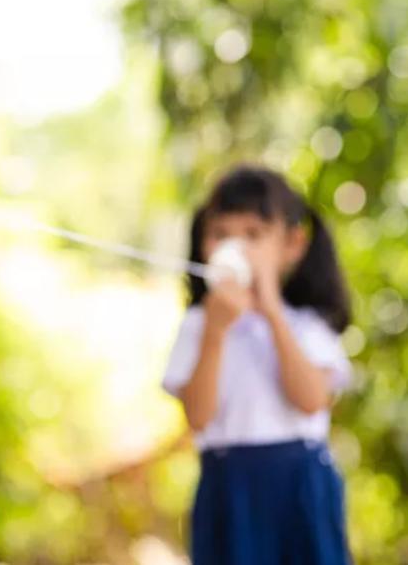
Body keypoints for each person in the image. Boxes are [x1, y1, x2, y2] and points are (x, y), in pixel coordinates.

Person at [162, 165, 353, 565]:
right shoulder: (199, 325)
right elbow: (198, 416)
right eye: (221, 235)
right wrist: (215, 333)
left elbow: (311, 400)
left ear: (292, 245)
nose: (235, 248)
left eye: (253, 235)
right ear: (202, 246)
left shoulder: (308, 326)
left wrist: (272, 314)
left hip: (301, 488)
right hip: (229, 490)